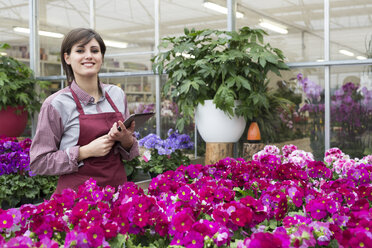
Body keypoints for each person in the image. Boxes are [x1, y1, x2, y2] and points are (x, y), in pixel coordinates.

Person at [30, 28, 139, 194]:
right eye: (80, 50)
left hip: (118, 198)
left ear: (101, 57)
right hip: (77, 205)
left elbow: (130, 153)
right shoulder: (56, 104)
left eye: (95, 51)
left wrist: (126, 140)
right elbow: (39, 162)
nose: (89, 55)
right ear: (67, 58)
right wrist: (84, 152)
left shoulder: (117, 95)